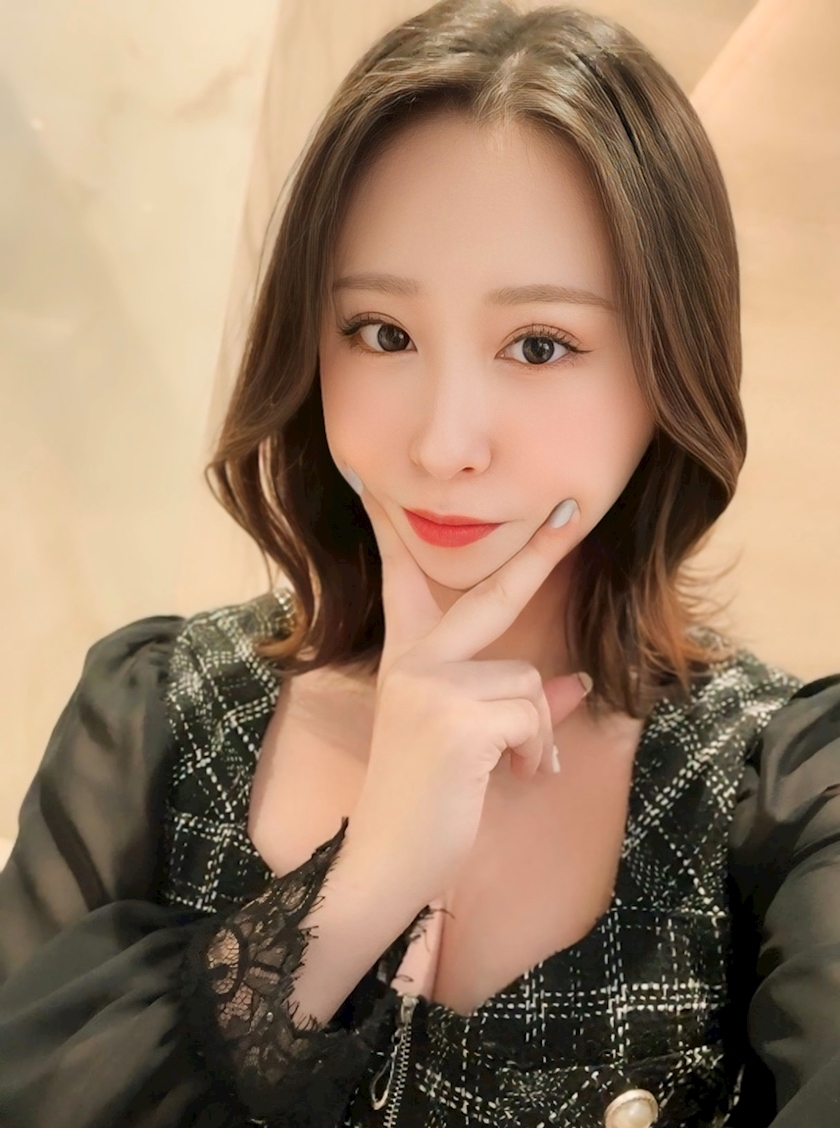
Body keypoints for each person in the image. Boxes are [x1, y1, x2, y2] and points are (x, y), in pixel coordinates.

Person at [1, 1, 839, 1125]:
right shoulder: (153, 715)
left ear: (667, 371)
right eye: (383, 333)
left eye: (539, 345)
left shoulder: (787, 794)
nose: (444, 445)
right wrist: (361, 885)